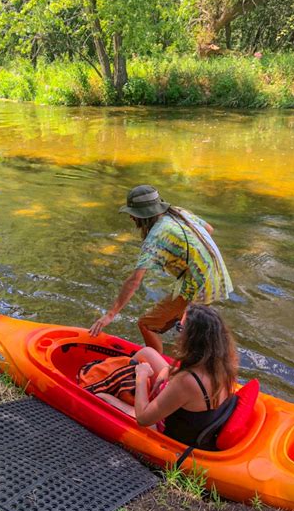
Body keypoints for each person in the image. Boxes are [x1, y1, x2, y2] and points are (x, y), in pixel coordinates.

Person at [89, 185, 233, 353]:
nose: (131, 218)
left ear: (142, 215)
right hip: (214, 275)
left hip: (198, 284)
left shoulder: (157, 236)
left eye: (132, 214)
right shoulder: (178, 212)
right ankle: (188, 349)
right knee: (189, 328)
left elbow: (134, 280)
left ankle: (158, 366)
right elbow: (209, 229)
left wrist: (110, 315)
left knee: (147, 324)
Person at [93, 304, 238, 446]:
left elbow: (143, 419)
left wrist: (141, 377)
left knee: (101, 398)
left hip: (165, 430)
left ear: (192, 339)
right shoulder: (223, 365)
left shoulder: (187, 381)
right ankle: (125, 383)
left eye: (180, 328)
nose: (178, 334)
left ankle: (118, 389)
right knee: (148, 352)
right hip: (190, 412)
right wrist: (168, 371)